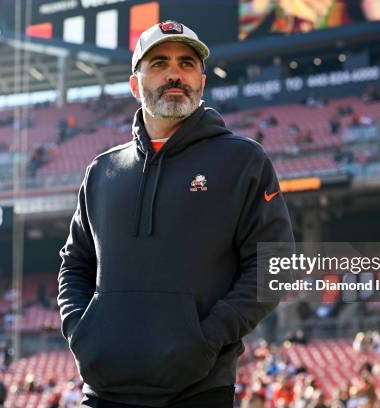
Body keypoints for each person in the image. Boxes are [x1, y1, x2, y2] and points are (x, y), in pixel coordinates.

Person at [57, 20, 294, 408]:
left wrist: (207, 339)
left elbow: (275, 266)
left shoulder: (242, 160)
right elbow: (76, 263)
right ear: (135, 85)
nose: (174, 74)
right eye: (158, 63)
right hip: (102, 391)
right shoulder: (102, 171)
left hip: (198, 389)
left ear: (202, 81)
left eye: (186, 64)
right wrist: (81, 332)